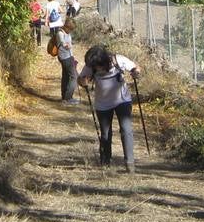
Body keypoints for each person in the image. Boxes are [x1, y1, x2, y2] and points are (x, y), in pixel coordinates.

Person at [79, 45, 141, 173]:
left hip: (122, 100)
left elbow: (136, 68)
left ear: (104, 61)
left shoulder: (118, 60)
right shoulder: (91, 64)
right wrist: (83, 82)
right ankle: (105, 163)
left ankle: (130, 164)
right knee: (106, 134)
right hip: (102, 104)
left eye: (97, 66)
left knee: (126, 129)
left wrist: (136, 73)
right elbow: (81, 78)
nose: (95, 68)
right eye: (93, 66)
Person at [56, 18, 78, 103]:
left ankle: (64, 97)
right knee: (74, 77)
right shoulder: (60, 33)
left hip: (68, 57)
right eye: (71, 29)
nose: (71, 31)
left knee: (66, 76)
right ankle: (68, 98)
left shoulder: (65, 33)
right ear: (67, 27)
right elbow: (63, 43)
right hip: (65, 57)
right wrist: (67, 46)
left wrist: (72, 57)